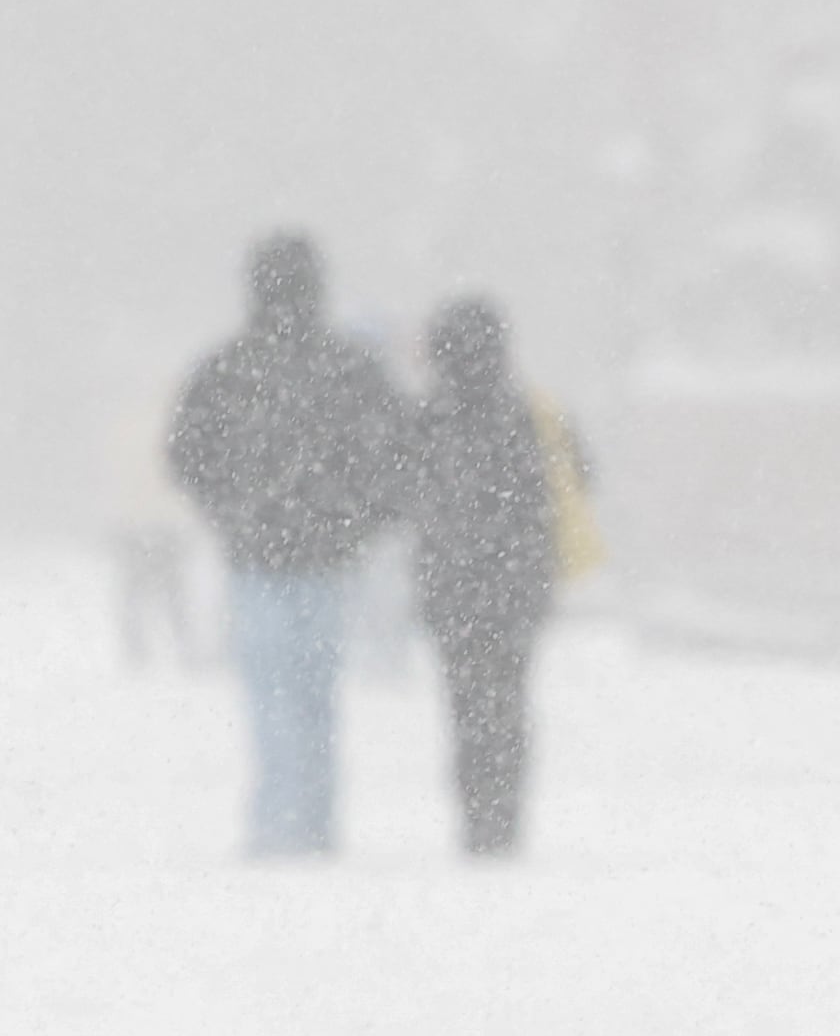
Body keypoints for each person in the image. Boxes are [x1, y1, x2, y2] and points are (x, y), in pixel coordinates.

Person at [165, 232, 410, 856]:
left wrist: (230, 509)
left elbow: (187, 454)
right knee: (315, 693)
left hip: (256, 558)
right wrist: (354, 523)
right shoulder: (350, 368)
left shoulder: (226, 368)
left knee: (271, 694)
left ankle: (279, 821)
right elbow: (394, 459)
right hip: (327, 561)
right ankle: (315, 820)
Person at [406, 296, 568, 856]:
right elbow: (578, 479)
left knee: (465, 702)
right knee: (510, 700)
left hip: (451, 588)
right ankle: (505, 812)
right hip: (518, 586)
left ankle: (476, 811)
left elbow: (394, 489)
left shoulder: (428, 418)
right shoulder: (530, 414)